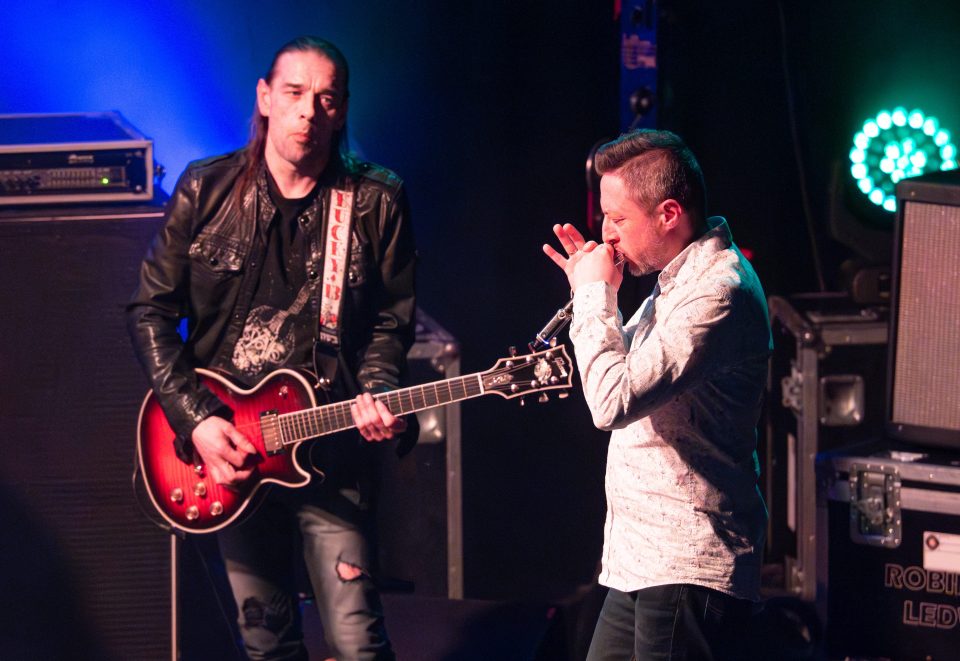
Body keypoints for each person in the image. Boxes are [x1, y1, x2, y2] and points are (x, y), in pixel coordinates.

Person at [127, 36, 416, 660]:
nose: (308, 110)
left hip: (330, 446)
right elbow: (150, 311)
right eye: (293, 93)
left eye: (325, 98)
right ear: (264, 98)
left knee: (357, 642)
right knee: (267, 642)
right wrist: (196, 419)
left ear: (341, 110)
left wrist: (379, 390)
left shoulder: (375, 200)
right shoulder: (205, 190)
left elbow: (391, 322)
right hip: (232, 448)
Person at [543, 129, 770, 660]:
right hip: (640, 559)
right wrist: (593, 294)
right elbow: (625, 372)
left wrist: (594, 295)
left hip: (688, 562)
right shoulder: (675, 283)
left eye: (618, 219)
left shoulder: (718, 293)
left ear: (668, 213)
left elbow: (612, 401)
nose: (606, 234)